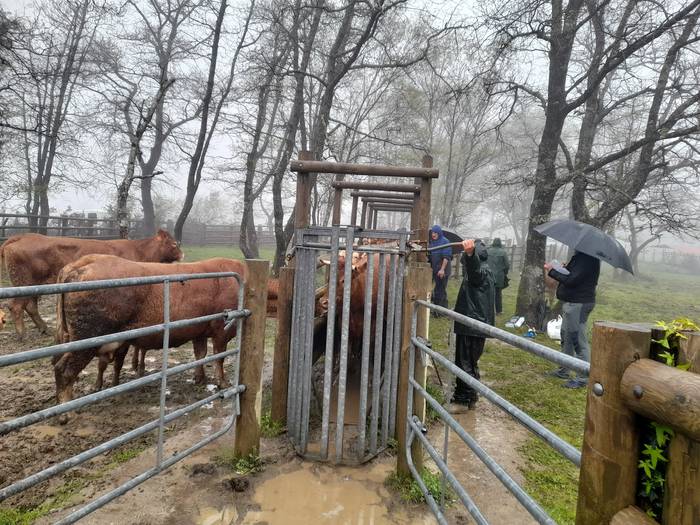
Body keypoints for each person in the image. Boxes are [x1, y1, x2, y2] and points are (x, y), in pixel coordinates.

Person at [545, 251, 600, 389]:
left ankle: (583, 377)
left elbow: (572, 280)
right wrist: (564, 268)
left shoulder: (587, 258)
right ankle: (564, 370)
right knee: (566, 336)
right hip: (572, 302)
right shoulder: (580, 257)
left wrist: (553, 271)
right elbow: (572, 275)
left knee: (577, 339)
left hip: (579, 303)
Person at [451, 239, 495, 410]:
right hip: (474, 324)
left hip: (472, 325)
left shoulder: (480, 270)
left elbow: (474, 272)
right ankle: (471, 396)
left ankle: (462, 401)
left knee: (464, 363)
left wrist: (470, 255)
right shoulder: (485, 269)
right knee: (470, 362)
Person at [429, 225, 452, 314]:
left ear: (439, 233)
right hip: (435, 269)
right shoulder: (432, 243)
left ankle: (439, 312)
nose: (433, 234)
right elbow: (430, 255)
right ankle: (442, 309)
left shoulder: (445, 242)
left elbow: (446, 257)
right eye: (432, 233)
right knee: (439, 289)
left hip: (443, 270)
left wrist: (442, 270)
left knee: (440, 290)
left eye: (435, 233)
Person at [488, 238, 510, 315]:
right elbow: (507, 265)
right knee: (498, 294)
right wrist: (505, 273)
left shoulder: (488, 251)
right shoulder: (503, 252)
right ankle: (498, 311)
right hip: (499, 276)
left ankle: (488, 310)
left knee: (488, 293)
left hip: (489, 275)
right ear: (500, 243)